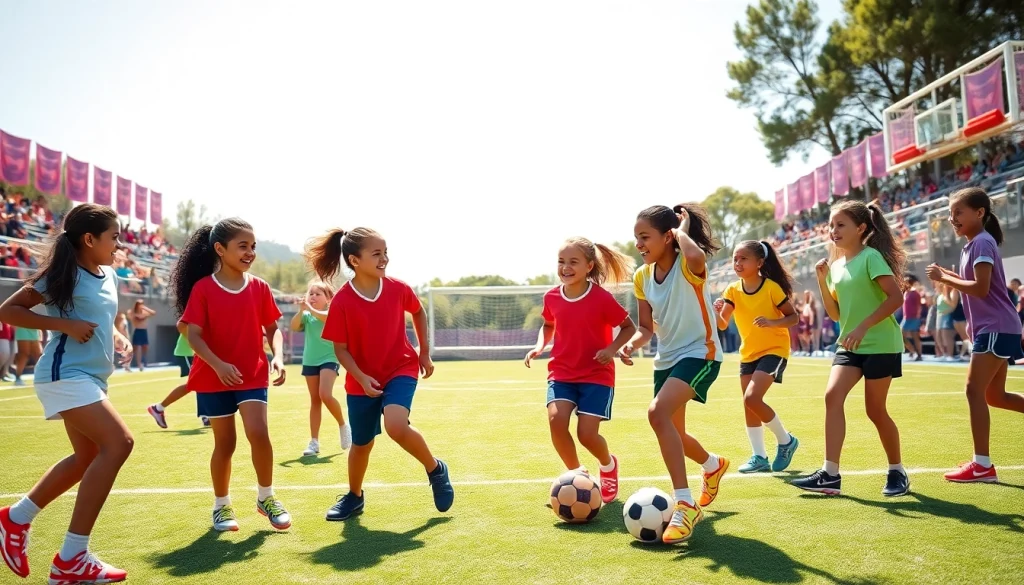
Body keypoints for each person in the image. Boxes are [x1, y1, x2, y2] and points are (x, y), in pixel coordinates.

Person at [0, 203, 134, 583]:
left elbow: (101, 316)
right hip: (63, 374)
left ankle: (15, 518)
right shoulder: (64, 274)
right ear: (89, 239)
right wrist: (64, 324)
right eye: (114, 236)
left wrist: (117, 336)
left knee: (87, 455)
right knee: (119, 443)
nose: (119, 243)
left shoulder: (107, 273)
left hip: (91, 377)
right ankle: (72, 557)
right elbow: (8, 311)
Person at [306, 227, 454, 522]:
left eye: (385, 252)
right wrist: (360, 377)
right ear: (355, 260)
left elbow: (419, 312)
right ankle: (354, 496)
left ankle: (435, 470)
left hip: (400, 368)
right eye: (377, 254)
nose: (384, 258)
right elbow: (341, 350)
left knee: (396, 425)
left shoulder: (398, 288)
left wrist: (424, 351)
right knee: (362, 445)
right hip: (361, 380)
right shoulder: (343, 301)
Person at [170, 218, 290, 532]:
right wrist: (218, 365)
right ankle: (221, 505)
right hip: (213, 376)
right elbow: (193, 335)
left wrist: (277, 356)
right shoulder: (204, 288)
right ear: (220, 249)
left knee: (258, 433)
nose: (250, 252)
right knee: (226, 444)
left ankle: (267, 497)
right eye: (243, 246)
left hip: (251, 373)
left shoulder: (260, 287)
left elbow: (273, 329)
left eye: (253, 246)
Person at [621, 203, 730, 544]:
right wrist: (631, 344)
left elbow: (697, 257)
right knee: (674, 432)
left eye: (645, 237)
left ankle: (685, 503)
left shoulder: (688, 264)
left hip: (700, 353)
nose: (639, 245)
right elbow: (644, 327)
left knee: (656, 414)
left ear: (668, 237)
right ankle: (712, 465)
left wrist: (682, 231)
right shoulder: (642, 277)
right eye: (636, 238)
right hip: (666, 359)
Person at [792, 200, 910, 498]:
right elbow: (834, 314)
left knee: (875, 410)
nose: (833, 230)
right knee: (832, 396)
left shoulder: (871, 257)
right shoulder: (836, 266)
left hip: (880, 344)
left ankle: (897, 470)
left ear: (861, 228)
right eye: (831, 225)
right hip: (849, 344)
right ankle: (830, 475)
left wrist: (863, 326)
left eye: (840, 225)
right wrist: (821, 279)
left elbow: (896, 298)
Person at [524, 237, 637, 504]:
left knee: (587, 435)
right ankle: (576, 473)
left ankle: (607, 465)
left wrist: (611, 349)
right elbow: (549, 325)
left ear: (588, 266)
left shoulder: (601, 298)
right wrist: (539, 346)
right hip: (562, 372)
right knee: (556, 420)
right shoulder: (551, 296)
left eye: (573, 262)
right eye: (561, 262)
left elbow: (629, 327)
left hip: (596, 375)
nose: (565, 267)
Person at [925, 187, 1024, 483]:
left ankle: (982, 465)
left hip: (995, 327)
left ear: (979, 213)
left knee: (974, 390)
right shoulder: (974, 245)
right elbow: (978, 284)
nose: (952, 218)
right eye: (950, 213)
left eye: (958, 212)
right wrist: (950, 277)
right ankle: (982, 465)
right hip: (995, 327)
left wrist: (946, 278)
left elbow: (980, 289)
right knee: (994, 396)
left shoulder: (981, 243)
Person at [712, 240, 800, 474]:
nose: (737, 263)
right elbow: (722, 324)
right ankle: (759, 457)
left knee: (752, 398)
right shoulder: (732, 290)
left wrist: (772, 322)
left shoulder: (771, 287)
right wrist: (716, 312)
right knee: (748, 405)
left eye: (743, 258)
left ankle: (786, 441)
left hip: (775, 348)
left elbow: (793, 317)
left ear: (759, 262)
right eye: (735, 258)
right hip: (748, 353)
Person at [290, 280, 351, 457]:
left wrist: (309, 307)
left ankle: (342, 424)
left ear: (328, 298)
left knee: (325, 394)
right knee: (315, 400)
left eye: (318, 294)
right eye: (311, 293)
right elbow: (294, 327)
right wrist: (302, 310)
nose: (313, 297)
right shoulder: (307, 315)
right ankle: (314, 442)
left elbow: (325, 318)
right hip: (310, 360)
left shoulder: (331, 312)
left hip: (329, 359)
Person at [146, 330, 210, 429]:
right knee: (195, 383)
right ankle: (158, 408)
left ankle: (206, 415)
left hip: (198, 350)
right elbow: (183, 326)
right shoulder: (192, 315)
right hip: (189, 351)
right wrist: (197, 342)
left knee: (203, 382)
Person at [901, 275, 924, 361]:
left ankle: (919, 354)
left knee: (915, 336)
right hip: (906, 317)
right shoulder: (906, 293)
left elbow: (919, 306)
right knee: (901, 335)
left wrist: (917, 317)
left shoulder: (915, 293)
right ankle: (912, 351)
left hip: (913, 318)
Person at [129, 300, 156, 370]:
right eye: (139, 304)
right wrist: (135, 312)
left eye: (142, 304)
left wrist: (145, 308)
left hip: (144, 331)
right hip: (138, 330)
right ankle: (138, 364)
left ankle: (144, 360)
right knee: (136, 348)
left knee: (145, 347)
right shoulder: (133, 313)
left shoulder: (145, 313)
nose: (141, 306)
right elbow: (130, 315)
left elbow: (153, 313)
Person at [934, 282, 957, 362]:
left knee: (947, 337)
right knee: (938, 337)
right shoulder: (940, 295)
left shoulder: (951, 293)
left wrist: (946, 295)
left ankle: (950, 355)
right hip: (939, 317)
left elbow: (953, 306)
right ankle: (944, 354)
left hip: (947, 316)